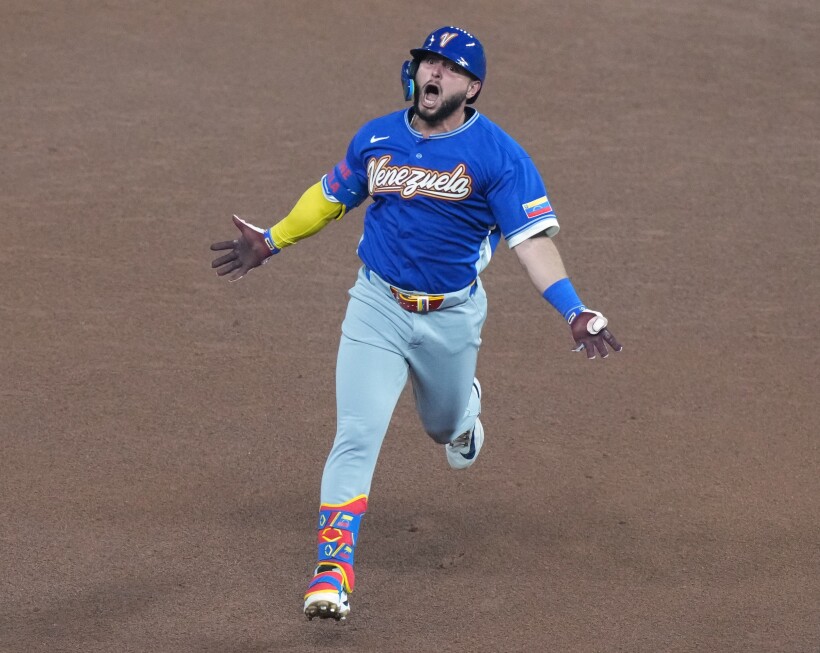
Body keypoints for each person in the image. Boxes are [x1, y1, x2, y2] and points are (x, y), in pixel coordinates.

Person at [209, 25, 622, 621]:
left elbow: (531, 242)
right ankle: (332, 569)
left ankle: (464, 416)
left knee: (442, 427)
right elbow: (331, 195)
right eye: (428, 61)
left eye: (450, 67)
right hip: (376, 305)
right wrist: (272, 240)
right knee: (357, 433)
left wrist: (573, 308)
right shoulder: (378, 137)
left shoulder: (499, 156)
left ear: (471, 87)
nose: (434, 71)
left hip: (450, 317)